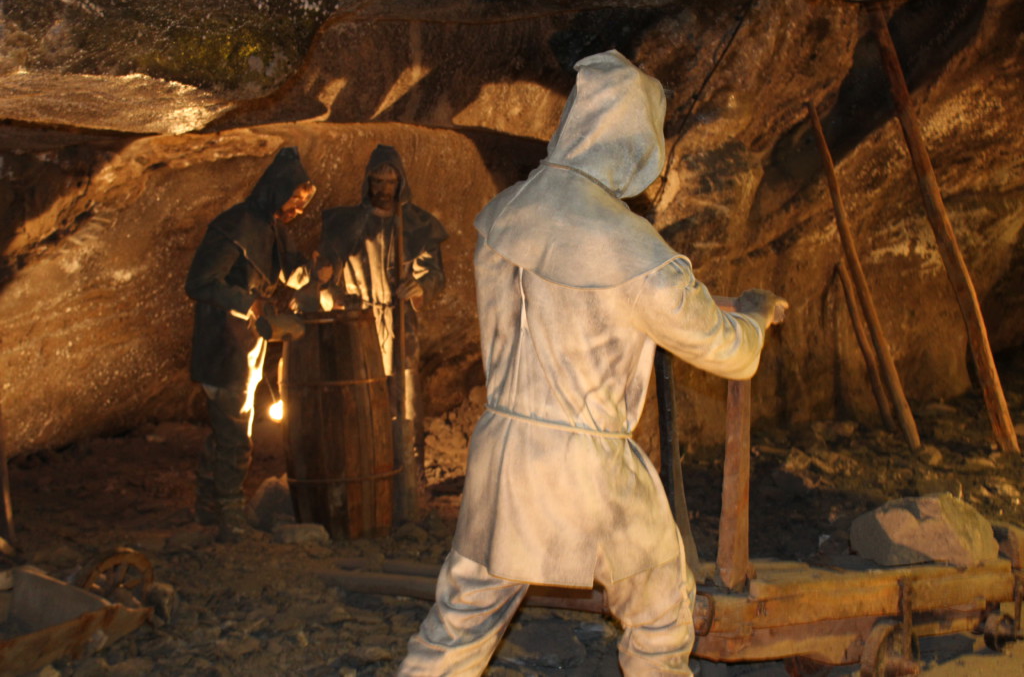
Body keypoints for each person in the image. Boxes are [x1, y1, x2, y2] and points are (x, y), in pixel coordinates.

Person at [398, 50, 787, 676]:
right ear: (634, 140)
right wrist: (757, 315)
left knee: (458, 626)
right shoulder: (631, 248)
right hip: (588, 471)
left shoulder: (505, 214)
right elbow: (731, 353)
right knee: (660, 614)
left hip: (502, 459)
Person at [185, 147, 316, 542]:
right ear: (277, 191)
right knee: (234, 431)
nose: (298, 210)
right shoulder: (235, 226)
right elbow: (200, 283)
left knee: (227, 424)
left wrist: (312, 272)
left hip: (248, 342)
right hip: (223, 342)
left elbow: (288, 270)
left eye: (303, 204)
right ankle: (229, 512)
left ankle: (208, 504)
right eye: (294, 200)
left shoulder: (273, 227)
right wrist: (248, 302)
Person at [318, 145, 448, 516]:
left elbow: (435, 275)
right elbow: (327, 270)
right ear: (368, 182)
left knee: (405, 404)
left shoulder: (417, 225)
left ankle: (410, 482)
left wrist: (420, 287)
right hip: (359, 326)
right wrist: (332, 290)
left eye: (390, 182)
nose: (384, 189)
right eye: (377, 181)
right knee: (361, 403)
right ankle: (365, 479)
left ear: (400, 183)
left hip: (401, 325)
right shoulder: (348, 225)